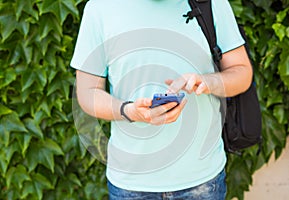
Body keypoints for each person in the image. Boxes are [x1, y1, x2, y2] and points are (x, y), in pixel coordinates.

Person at [71, 0, 252, 199]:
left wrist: (208, 82)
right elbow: (88, 92)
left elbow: (241, 73)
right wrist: (128, 111)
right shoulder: (99, 8)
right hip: (130, 185)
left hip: (203, 181)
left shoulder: (211, 3)